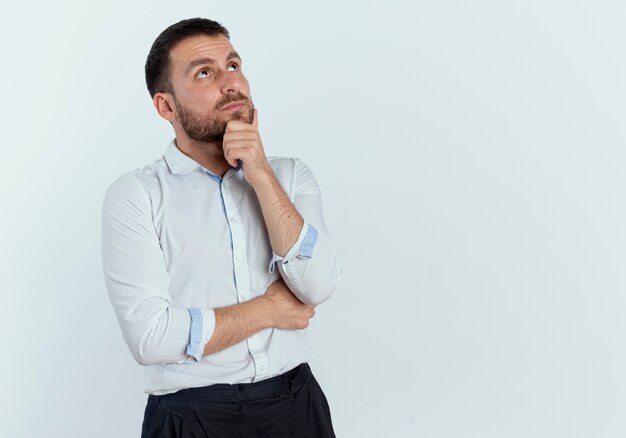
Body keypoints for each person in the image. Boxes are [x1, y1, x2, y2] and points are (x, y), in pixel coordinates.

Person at [100, 17, 343, 438]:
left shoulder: (289, 176)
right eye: (204, 72)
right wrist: (269, 309)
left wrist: (261, 173)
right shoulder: (136, 195)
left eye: (233, 65)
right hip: (189, 418)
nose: (230, 82)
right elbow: (151, 338)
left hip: (295, 406)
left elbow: (317, 287)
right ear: (166, 107)